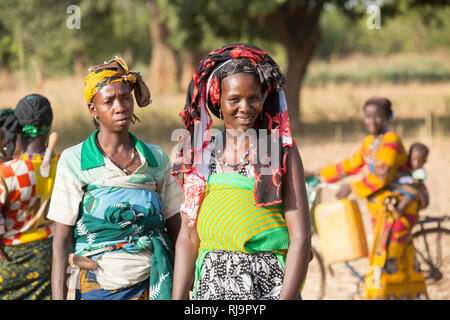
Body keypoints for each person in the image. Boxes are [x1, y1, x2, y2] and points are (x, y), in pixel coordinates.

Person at [171, 43, 311, 300]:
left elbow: (301, 237)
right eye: (234, 99)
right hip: (212, 286)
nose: (245, 107)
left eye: (254, 98)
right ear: (218, 101)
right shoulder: (200, 155)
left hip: (269, 286)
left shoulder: (279, 154)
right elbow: (188, 236)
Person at [47, 57, 182, 300]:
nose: (120, 107)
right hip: (96, 285)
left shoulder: (156, 158)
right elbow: (62, 240)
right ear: (93, 109)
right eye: (108, 101)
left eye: (125, 98)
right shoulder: (74, 160)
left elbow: (177, 228)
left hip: (152, 283)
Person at [308, 96, 428, 300]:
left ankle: (379, 296)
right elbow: (351, 164)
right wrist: (317, 174)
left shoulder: (392, 142)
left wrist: (351, 187)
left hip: (399, 209)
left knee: (385, 258)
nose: (372, 121)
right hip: (382, 210)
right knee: (393, 257)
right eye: (368, 116)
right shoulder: (370, 143)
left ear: (388, 117)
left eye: (378, 117)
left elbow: (381, 176)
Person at [0, 94, 58, 300]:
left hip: (9, 263)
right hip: (49, 260)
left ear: (18, 126)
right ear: (49, 126)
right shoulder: (62, 165)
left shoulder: (6, 173)